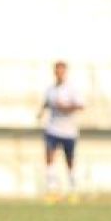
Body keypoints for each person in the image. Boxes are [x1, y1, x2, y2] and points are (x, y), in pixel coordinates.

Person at [37, 61, 84, 203]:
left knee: (69, 161)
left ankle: (72, 190)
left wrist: (66, 108)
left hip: (69, 131)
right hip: (52, 129)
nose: (59, 73)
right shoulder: (50, 89)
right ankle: (52, 190)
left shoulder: (71, 89)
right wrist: (40, 112)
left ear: (65, 72)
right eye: (57, 71)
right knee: (49, 158)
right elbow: (46, 102)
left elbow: (80, 106)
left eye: (61, 71)